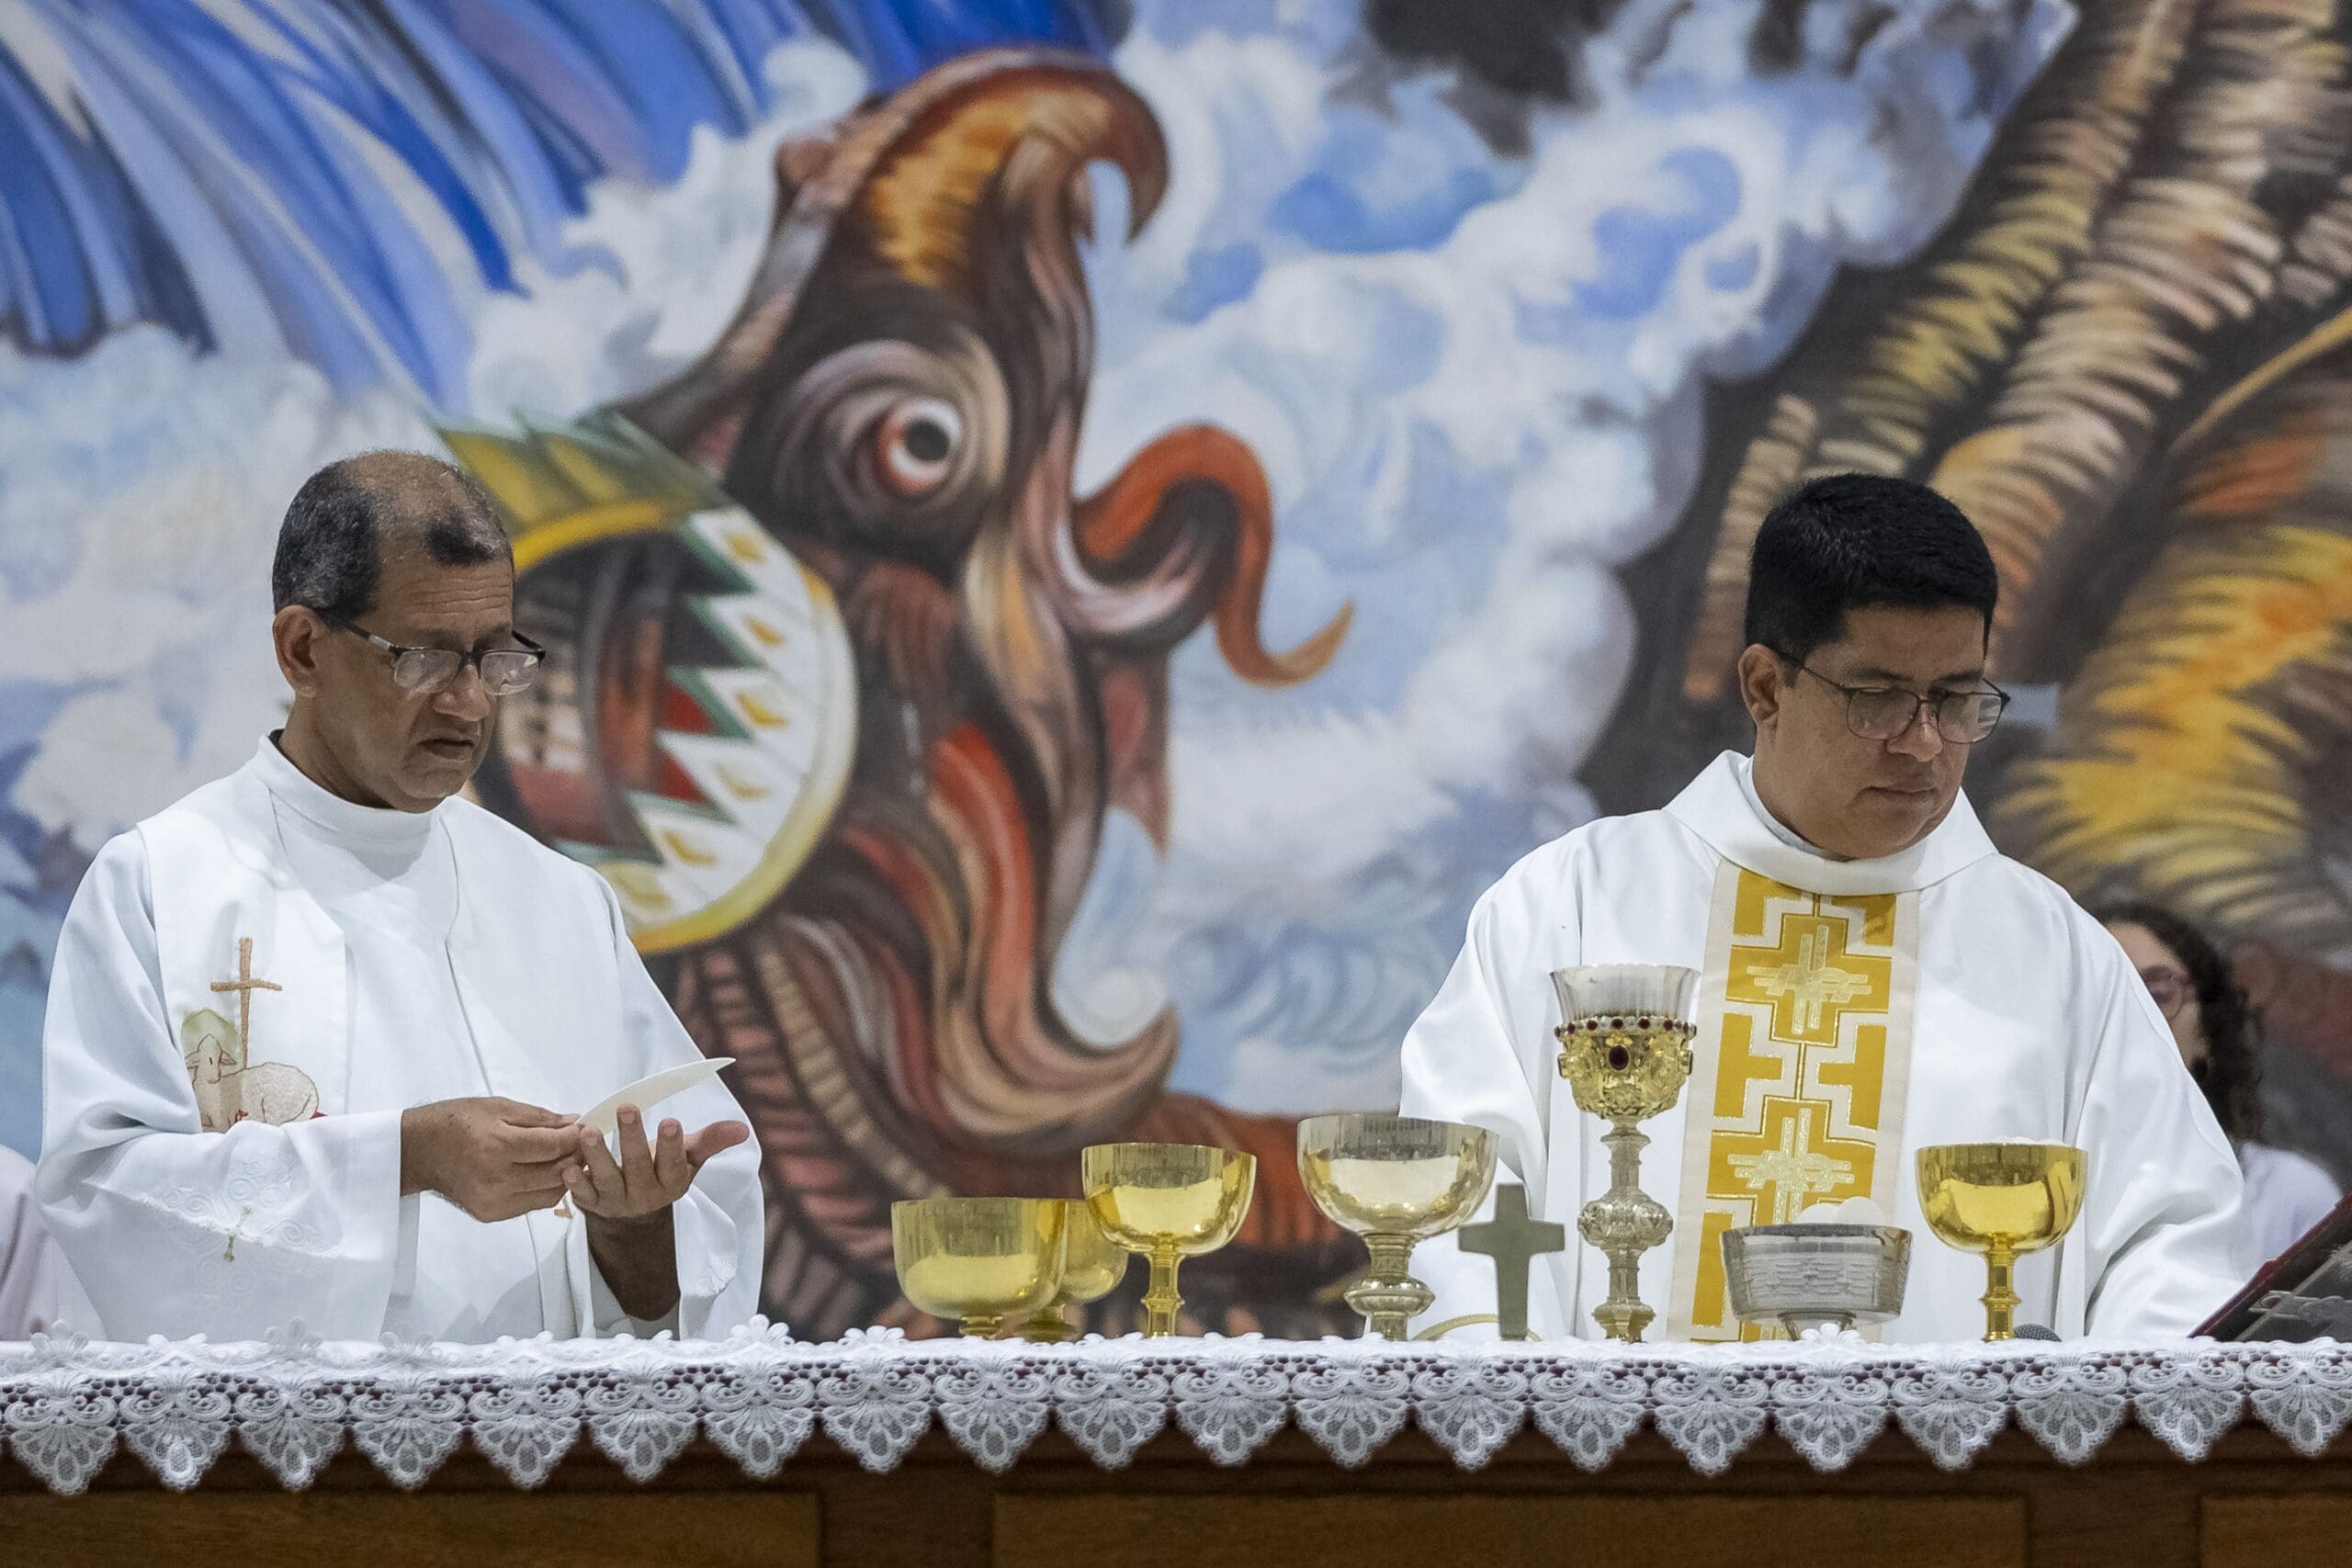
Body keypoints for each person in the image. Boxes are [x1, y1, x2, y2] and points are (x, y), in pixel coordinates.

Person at [1399, 474, 2245, 1342]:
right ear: (1765, 687)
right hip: (1614, 1434)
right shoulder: (1569, 909)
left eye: (1956, 699)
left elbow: (2168, 1242)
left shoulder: (2056, 958)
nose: (1924, 743)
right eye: (1879, 700)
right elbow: (1460, 1187)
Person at [37, 451, 763, 1342]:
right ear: (302, 649)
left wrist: (632, 1224)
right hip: (277, 1436)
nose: (470, 703)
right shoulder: (161, 885)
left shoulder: (563, 904)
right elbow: (104, 1204)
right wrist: (405, 1160)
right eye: (425, 658)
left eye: (494, 657)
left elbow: (684, 1269)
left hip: (542, 1433)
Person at [2100, 903, 2341, 1264]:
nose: (2136, 1020)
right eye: (2106, 1002)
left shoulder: (2289, 1196)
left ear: (2207, 1033)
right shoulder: (2055, 1207)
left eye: (2159, 994)